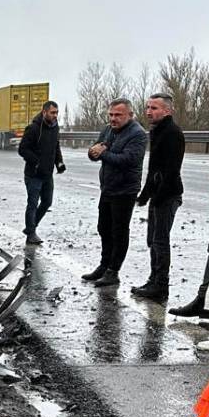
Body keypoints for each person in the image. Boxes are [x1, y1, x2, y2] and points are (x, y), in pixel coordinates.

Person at [82, 99, 147, 288]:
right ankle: (104, 265)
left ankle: (113, 271)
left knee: (119, 231)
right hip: (108, 187)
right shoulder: (108, 129)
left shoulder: (137, 134)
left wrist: (102, 153)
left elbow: (128, 160)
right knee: (104, 227)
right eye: (111, 114)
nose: (113, 118)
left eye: (118, 115)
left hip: (125, 189)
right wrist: (93, 152)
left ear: (130, 115)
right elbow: (96, 150)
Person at [132, 93, 185, 300]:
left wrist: (159, 198)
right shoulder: (157, 131)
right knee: (153, 241)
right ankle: (154, 280)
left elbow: (171, 171)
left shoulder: (171, 133)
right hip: (159, 195)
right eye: (147, 107)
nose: (148, 111)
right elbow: (154, 169)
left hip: (168, 195)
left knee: (160, 241)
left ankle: (160, 286)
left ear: (167, 111)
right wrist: (145, 196)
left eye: (154, 108)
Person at [17, 100, 66, 245]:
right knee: (32, 203)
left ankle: (30, 228)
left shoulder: (55, 128)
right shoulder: (33, 128)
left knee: (47, 202)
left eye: (57, 112)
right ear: (44, 112)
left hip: (47, 174)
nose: (55, 115)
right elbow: (22, 149)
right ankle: (31, 233)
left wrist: (60, 162)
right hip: (34, 175)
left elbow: (55, 147)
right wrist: (36, 162)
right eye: (52, 112)